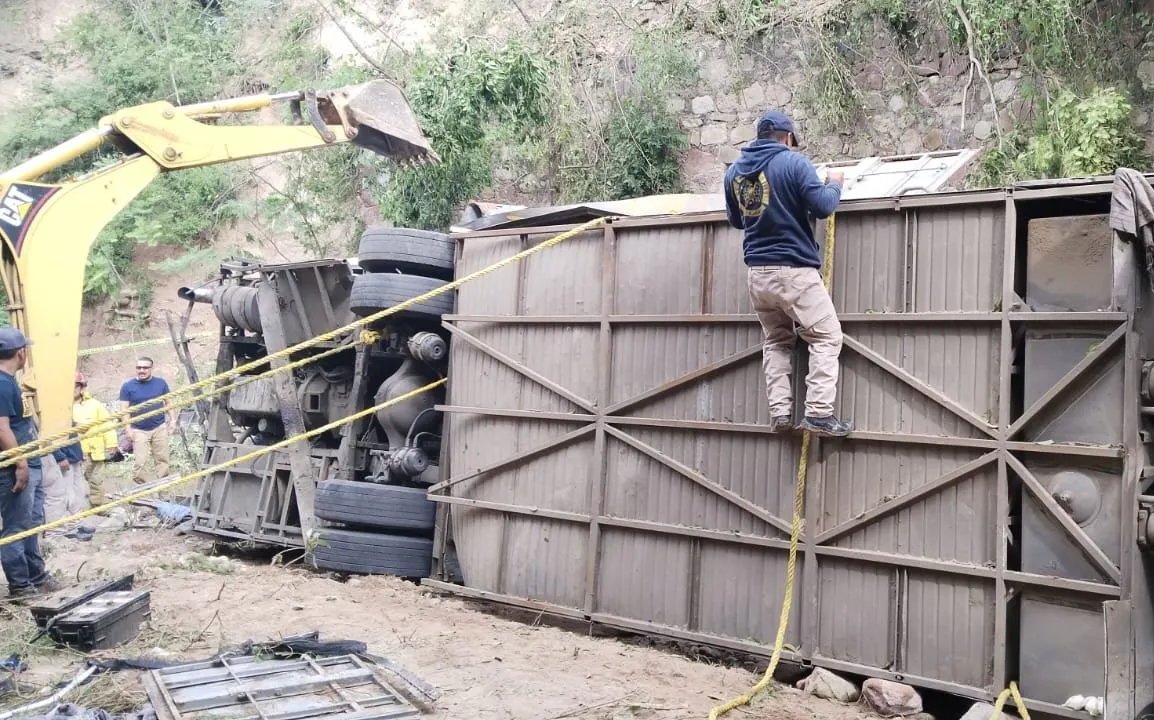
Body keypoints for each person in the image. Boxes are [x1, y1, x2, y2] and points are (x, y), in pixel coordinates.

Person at [723, 110, 853, 437]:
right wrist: (835, 184)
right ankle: (819, 414)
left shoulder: (734, 173)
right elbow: (823, 206)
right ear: (788, 137)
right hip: (793, 271)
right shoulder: (794, 164)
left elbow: (739, 221)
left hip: (757, 276)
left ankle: (780, 412)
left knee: (777, 340)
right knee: (826, 335)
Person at [0, 327, 61, 597]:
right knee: (16, 526)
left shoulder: (10, 381)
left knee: (31, 524)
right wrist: (21, 464)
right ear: (21, 353)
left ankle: (36, 576)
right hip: (16, 466)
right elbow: (2, 429)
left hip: (29, 460)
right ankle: (21, 586)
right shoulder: (1, 384)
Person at [118, 357, 175, 485]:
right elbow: (124, 410)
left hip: (159, 427)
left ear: (151, 369)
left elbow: (169, 402)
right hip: (138, 430)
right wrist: (128, 430)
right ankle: (143, 493)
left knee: (162, 460)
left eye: (145, 368)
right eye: (139, 368)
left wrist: (173, 421)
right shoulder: (128, 387)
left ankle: (163, 493)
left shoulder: (161, 383)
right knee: (140, 463)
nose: (142, 370)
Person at [73, 372, 120, 508]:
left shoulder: (94, 405)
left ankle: (98, 505)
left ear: (82, 388)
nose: (72, 390)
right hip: (76, 452)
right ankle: (77, 509)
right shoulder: (63, 407)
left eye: (75, 386)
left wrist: (112, 443)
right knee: (77, 482)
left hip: (95, 450)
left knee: (96, 480)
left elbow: (106, 424)